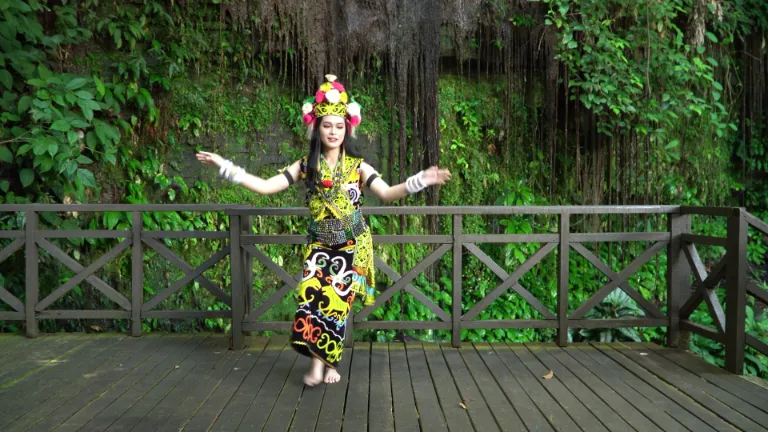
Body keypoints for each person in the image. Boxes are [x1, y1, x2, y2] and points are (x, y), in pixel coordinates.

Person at [196, 74, 451, 386]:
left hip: (351, 245)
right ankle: (322, 362)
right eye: (327, 125)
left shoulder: (358, 166)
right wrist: (225, 166)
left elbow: (386, 193)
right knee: (309, 297)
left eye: (339, 126)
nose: (333, 131)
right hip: (319, 245)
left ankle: (323, 365)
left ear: (347, 129)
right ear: (317, 128)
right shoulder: (306, 166)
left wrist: (419, 181)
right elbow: (265, 186)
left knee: (335, 305)